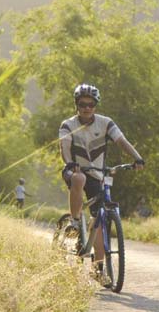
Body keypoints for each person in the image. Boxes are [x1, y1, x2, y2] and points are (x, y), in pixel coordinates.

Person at [60, 83, 144, 282]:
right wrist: (70, 164)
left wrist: (137, 158)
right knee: (79, 179)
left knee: (100, 219)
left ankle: (98, 269)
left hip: (97, 174)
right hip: (76, 170)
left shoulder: (105, 123)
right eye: (82, 104)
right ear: (76, 105)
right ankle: (74, 220)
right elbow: (64, 147)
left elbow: (122, 141)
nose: (87, 108)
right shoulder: (68, 125)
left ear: (96, 105)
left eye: (91, 104)